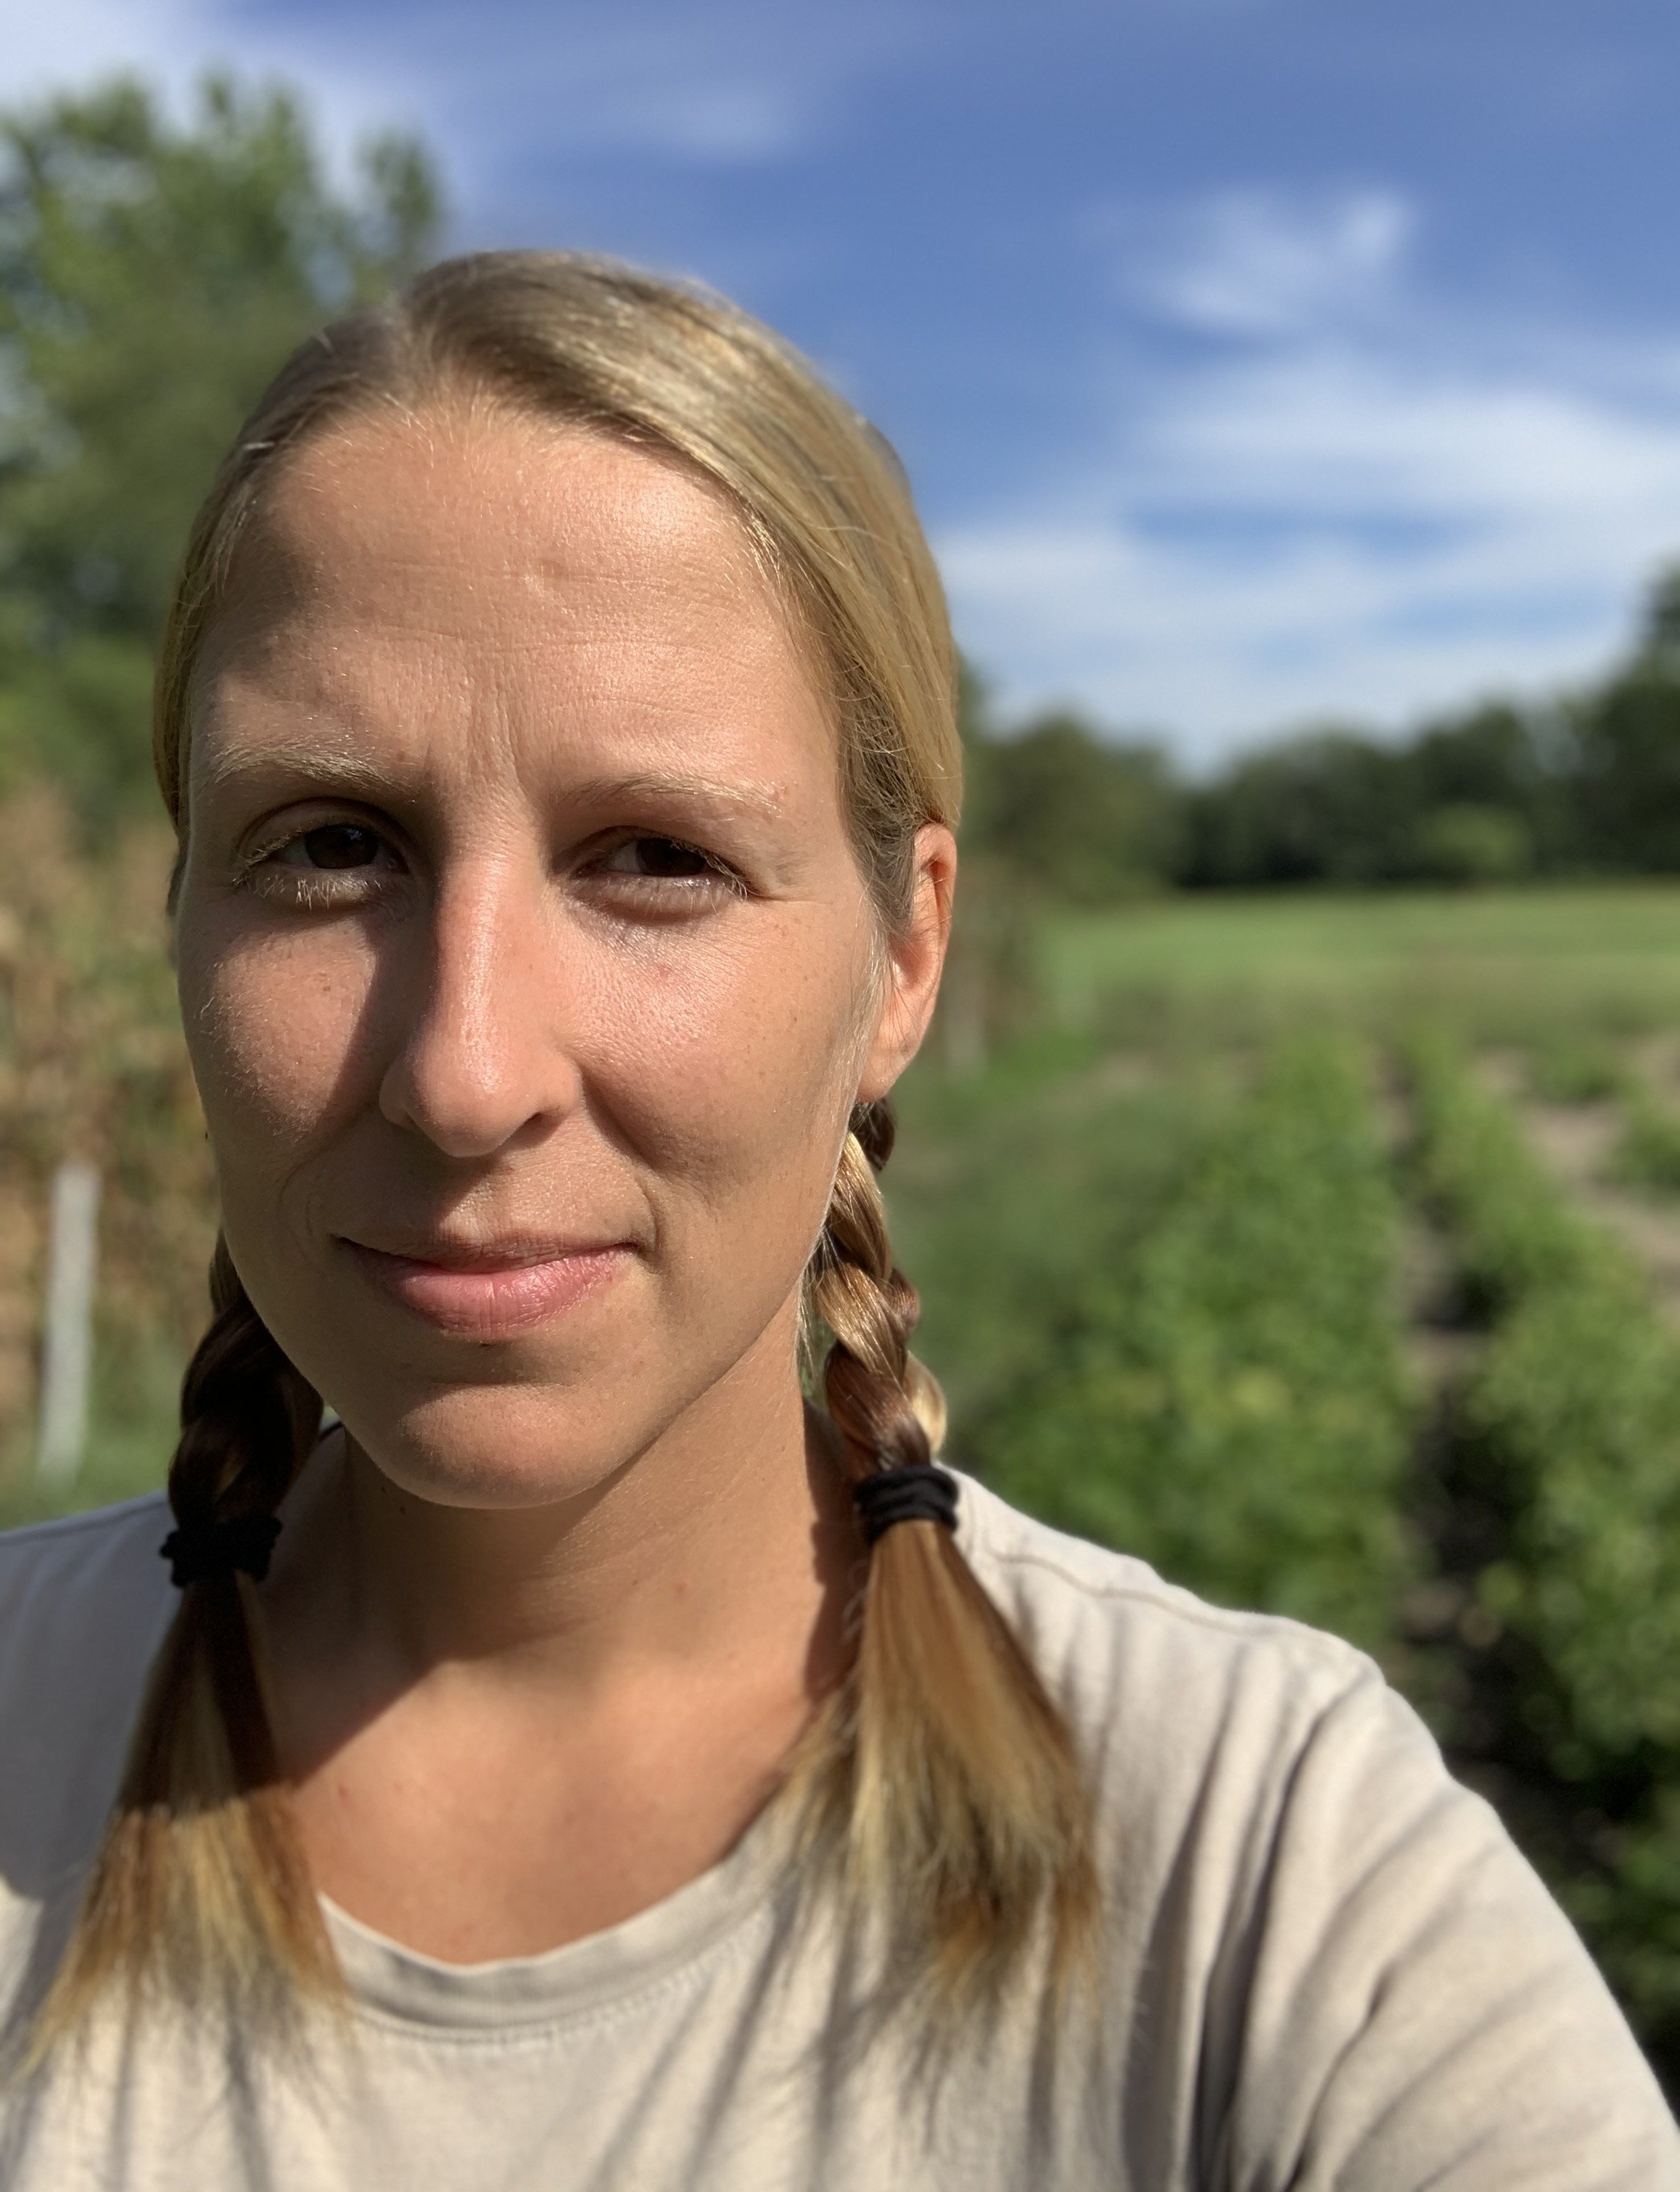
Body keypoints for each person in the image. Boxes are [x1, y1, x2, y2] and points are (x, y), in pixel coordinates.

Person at [0, 250, 1672, 2192]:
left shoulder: (1279, 1890)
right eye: (331, 848)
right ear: (183, 915)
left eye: (652, 859)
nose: (461, 1072)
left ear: (903, 952)